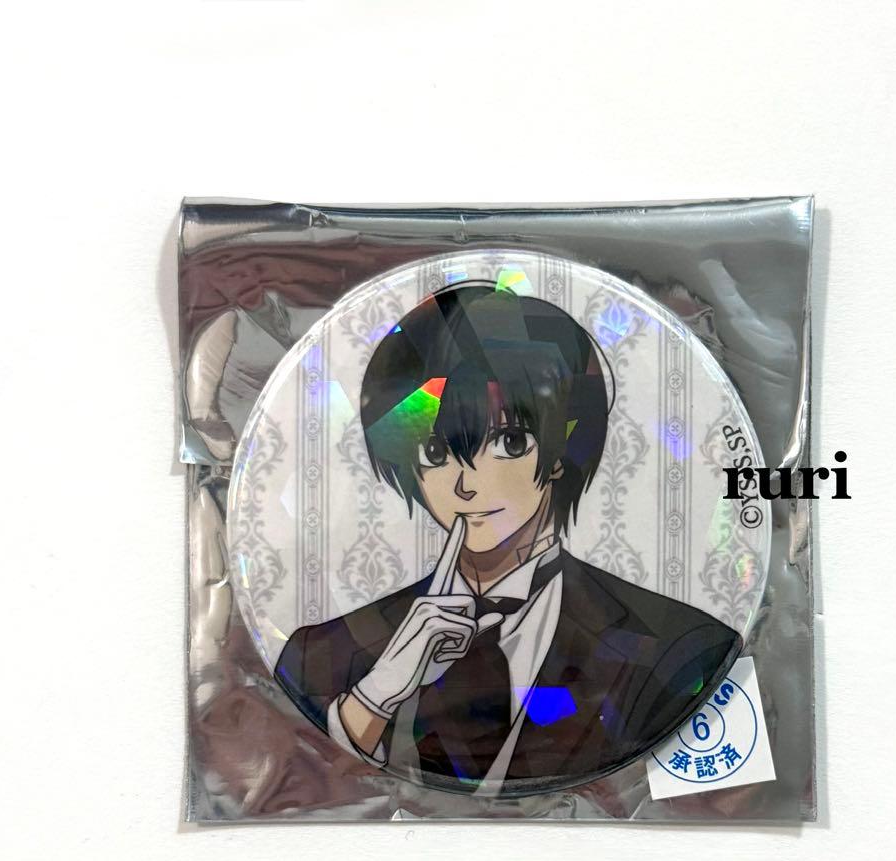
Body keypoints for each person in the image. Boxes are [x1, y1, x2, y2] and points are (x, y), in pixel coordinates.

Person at [274, 283, 741, 796]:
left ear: (562, 448)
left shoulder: (680, 651)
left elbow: (706, 802)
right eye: (435, 452)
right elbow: (300, 795)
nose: (466, 485)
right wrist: (375, 697)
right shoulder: (318, 657)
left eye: (509, 442)